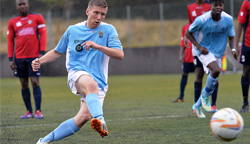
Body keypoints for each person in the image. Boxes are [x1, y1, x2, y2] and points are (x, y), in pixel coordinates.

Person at [33, 0, 124, 143]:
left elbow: (120, 54)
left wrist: (98, 46)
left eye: (102, 14)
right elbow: (57, 52)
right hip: (77, 74)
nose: (99, 17)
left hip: (99, 81)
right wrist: (39, 61)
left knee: (83, 118)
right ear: (88, 12)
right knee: (90, 85)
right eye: (96, 13)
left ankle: (44, 141)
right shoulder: (73, 30)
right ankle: (99, 119)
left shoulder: (109, 30)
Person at [186, 0, 238, 118]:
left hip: (217, 53)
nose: (218, 7)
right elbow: (188, 33)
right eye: (215, 5)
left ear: (223, 6)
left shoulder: (228, 19)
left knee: (213, 80)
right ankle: (205, 98)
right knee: (216, 70)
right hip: (203, 49)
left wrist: (234, 49)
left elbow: (231, 37)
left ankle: (197, 105)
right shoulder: (202, 19)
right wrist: (199, 47)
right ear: (211, 6)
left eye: (220, 5)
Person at [7, 0, 46, 119]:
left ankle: (38, 111)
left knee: (34, 82)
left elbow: (43, 35)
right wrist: (10, 59)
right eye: (20, 4)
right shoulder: (12, 21)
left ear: (28, 5)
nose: (22, 6)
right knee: (24, 84)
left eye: (24, 3)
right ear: (17, 7)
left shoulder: (37, 17)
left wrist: (41, 53)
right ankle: (29, 112)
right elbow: (10, 41)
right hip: (19, 58)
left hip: (34, 57)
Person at [186, 0, 219, 112]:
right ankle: (197, 106)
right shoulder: (190, 7)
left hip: (210, 46)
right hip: (197, 46)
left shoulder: (211, 6)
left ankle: (213, 104)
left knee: (214, 74)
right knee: (199, 73)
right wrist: (187, 36)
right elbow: (191, 25)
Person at [172, 23, 195, 103]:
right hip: (188, 57)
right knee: (184, 74)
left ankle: (203, 98)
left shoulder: (201, 24)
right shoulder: (185, 27)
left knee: (201, 76)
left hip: (199, 56)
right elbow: (182, 42)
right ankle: (181, 96)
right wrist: (181, 55)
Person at [234, 0, 250, 112]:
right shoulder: (246, 3)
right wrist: (235, 45)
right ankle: (245, 102)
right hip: (248, 44)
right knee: (246, 71)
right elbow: (240, 24)